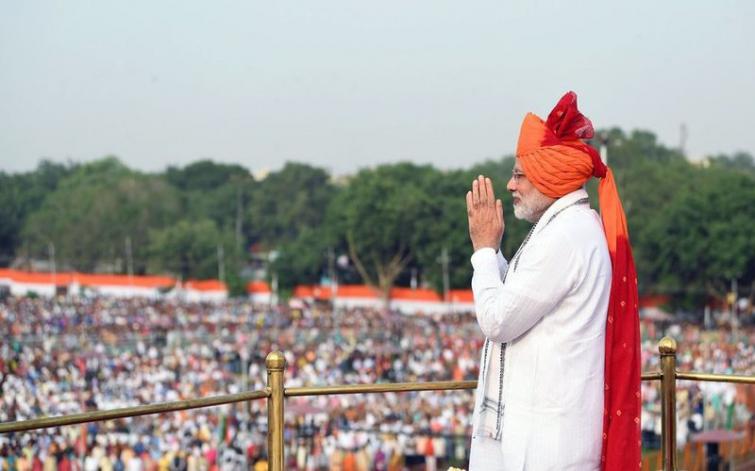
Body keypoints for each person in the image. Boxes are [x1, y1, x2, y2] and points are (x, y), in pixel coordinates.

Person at [465, 91, 641, 470]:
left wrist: (483, 250)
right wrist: (493, 251)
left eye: (519, 175)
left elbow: (498, 320)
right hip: (546, 439)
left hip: (548, 447)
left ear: (549, 175)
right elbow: (520, 296)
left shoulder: (566, 236)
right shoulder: (567, 227)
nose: (510, 185)